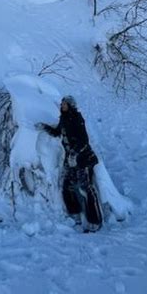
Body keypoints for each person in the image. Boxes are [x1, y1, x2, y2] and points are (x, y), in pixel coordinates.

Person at [35, 95, 103, 232]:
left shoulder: (77, 119)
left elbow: (84, 140)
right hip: (70, 160)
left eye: (65, 104)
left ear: (71, 105)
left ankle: (95, 221)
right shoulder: (64, 119)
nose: (62, 106)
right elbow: (57, 132)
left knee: (86, 188)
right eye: (62, 104)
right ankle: (75, 214)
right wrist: (44, 127)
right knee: (67, 186)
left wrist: (74, 153)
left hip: (83, 158)